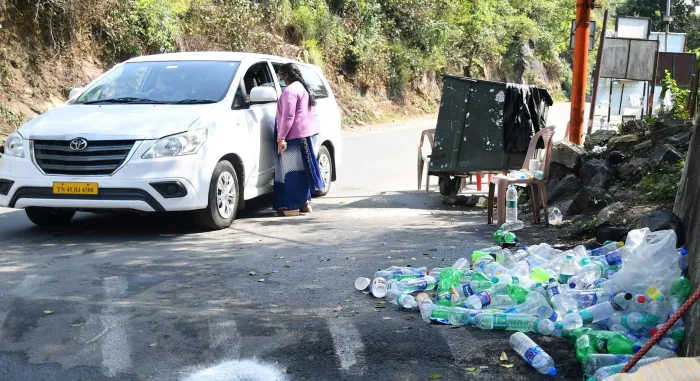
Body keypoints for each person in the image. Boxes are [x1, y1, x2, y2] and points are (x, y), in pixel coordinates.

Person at [273, 63, 325, 216]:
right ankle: (304, 203)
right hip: (303, 135)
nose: (279, 78)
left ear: (286, 75)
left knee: (291, 172)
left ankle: (291, 207)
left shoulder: (290, 91)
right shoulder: (301, 87)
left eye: (280, 75)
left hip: (292, 136)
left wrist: (281, 138)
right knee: (301, 170)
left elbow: (288, 117)